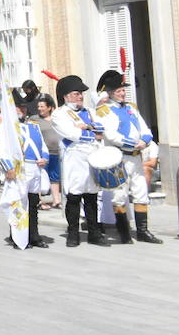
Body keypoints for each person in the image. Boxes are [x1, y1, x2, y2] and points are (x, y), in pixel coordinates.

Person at [94, 71, 162, 244]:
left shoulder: (131, 107)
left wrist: (145, 141)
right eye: (118, 91)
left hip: (136, 156)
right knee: (119, 195)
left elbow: (145, 129)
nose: (122, 93)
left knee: (141, 192)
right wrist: (133, 144)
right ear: (109, 92)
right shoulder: (104, 111)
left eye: (123, 90)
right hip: (120, 157)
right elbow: (111, 135)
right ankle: (124, 232)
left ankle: (142, 231)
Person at [51, 75, 109, 247]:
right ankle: (73, 233)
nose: (80, 97)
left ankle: (94, 233)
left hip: (92, 155)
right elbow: (71, 134)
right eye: (76, 93)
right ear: (66, 96)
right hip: (74, 158)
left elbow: (101, 129)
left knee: (91, 195)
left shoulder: (90, 111)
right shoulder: (59, 114)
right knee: (74, 196)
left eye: (81, 94)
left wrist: (87, 128)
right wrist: (89, 131)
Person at [10, 97, 51, 249]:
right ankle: (18, 237)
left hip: (34, 167)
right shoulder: (10, 127)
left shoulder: (34, 126)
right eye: (18, 108)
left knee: (33, 203)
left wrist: (44, 158)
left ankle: (34, 235)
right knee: (19, 203)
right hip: (20, 168)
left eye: (23, 108)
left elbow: (43, 146)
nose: (21, 110)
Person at [35, 94, 62, 209]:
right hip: (43, 154)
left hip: (56, 152)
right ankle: (39, 201)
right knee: (40, 177)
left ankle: (56, 200)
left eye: (42, 106)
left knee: (55, 177)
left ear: (50, 107)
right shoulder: (34, 119)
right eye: (39, 106)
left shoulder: (57, 118)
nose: (40, 109)